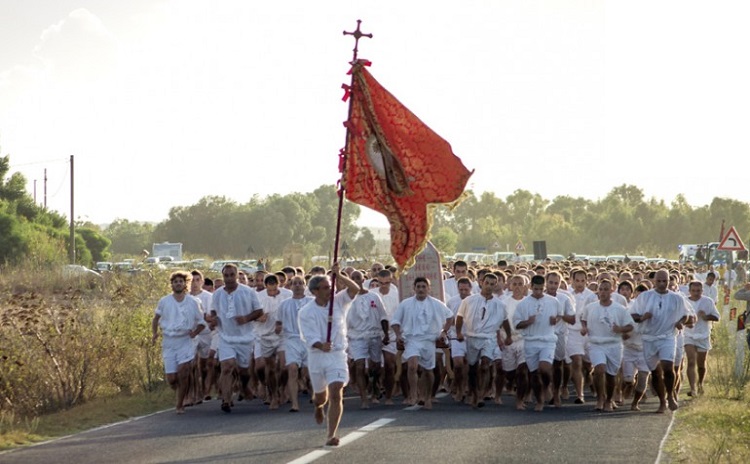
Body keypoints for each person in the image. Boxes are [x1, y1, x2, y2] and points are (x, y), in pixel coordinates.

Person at [298, 263, 359, 447]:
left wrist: (339, 275)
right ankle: (317, 407)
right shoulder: (306, 312)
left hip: (337, 355)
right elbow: (308, 336)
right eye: (325, 288)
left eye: (330, 287)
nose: (330, 291)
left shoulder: (339, 301)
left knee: (336, 393)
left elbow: (355, 289)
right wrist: (319, 345)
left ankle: (331, 434)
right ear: (315, 291)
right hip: (317, 357)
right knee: (321, 398)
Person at [630, 269, 692, 413]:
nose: (662, 284)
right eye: (659, 281)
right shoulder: (645, 297)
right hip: (649, 338)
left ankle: (670, 396)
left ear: (669, 280)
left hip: (668, 337)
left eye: (665, 281)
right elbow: (633, 315)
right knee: (656, 373)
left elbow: (686, 315)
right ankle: (662, 401)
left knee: (668, 368)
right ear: (654, 281)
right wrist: (642, 318)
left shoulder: (676, 298)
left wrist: (681, 322)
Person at [208, 263, 264, 413]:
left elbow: (259, 311)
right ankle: (226, 400)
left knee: (244, 372)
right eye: (226, 275)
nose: (229, 278)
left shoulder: (248, 292)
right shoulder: (218, 293)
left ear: (237, 275)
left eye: (232, 275)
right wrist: (213, 321)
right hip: (225, 336)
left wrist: (246, 318)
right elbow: (213, 312)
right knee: (226, 366)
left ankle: (244, 386)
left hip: (245, 338)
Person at [391, 277, 453, 409]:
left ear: (428, 288)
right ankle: (413, 394)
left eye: (423, 287)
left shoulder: (436, 303)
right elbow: (395, 321)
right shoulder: (405, 304)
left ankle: (428, 396)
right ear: (414, 288)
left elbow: (450, 317)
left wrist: (444, 332)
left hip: (429, 340)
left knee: (428, 370)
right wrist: (398, 335)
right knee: (412, 366)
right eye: (418, 286)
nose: (421, 289)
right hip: (411, 339)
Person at [151, 271, 206, 414]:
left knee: (183, 372)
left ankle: (180, 403)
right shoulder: (164, 301)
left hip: (185, 340)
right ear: (171, 284)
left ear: (185, 283)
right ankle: (181, 391)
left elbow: (202, 323)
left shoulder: (193, 302)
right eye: (175, 281)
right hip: (169, 341)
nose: (178, 284)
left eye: (181, 281)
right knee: (172, 379)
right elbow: (156, 318)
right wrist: (154, 333)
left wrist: (195, 332)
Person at [455, 273, 512, 408]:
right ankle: (473, 393)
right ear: (481, 283)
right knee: (472, 368)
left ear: (496, 285)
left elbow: (505, 321)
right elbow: (459, 317)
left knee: (485, 365)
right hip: (472, 336)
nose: (489, 286)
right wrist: (458, 332)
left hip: (489, 338)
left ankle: (480, 395)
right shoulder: (469, 300)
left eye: (492, 284)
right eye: (487, 283)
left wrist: (509, 336)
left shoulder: (500, 305)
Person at [580, 279, 634, 412]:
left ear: (611, 291)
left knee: (611, 376)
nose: (603, 292)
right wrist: (584, 328)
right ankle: (600, 398)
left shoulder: (619, 309)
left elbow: (630, 325)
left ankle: (609, 400)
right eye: (601, 289)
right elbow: (583, 319)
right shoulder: (590, 307)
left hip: (614, 344)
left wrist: (620, 329)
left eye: (606, 289)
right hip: (596, 344)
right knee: (599, 369)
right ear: (598, 291)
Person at [513, 274, 564, 412]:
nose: (538, 292)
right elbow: (517, 324)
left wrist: (555, 320)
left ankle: (549, 388)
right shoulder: (523, 304)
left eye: (541, 289)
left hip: (547, 340)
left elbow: (559, 315)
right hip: (530, 341)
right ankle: (540, 400)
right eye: (536, 289)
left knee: (545, 368)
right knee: (534, 374)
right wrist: (527, 322)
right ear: (531, 287)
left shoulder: (553, 301)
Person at [346, 270, 389, 409]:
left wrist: (386, 334)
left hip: (374, 335)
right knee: (359, 366)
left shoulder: (374, 296)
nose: (356, 280)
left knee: (375, 367)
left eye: (358, 278)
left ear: (362, 279)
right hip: (356, 337)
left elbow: (383, 316)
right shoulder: (346, 299)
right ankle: (364, 397)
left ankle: (375, 389)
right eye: (353, 278)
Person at [275, 275, 313, 412]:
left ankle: (312, 390)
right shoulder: (284, 304)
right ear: (290, 286)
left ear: (305, 286)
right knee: (292, 369)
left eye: (300, 283)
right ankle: (295, 404)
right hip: (291, 340)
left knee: (308, 372)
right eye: (294, 283)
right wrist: (278, 328)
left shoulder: (312, 302)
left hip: (309, 340)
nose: (297, 286)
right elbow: (278, 322)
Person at [683, 280, 720, 396]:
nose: (696, 293)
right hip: (688, 334)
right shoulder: (684, 302)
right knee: (691, 361)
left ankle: (700, 384)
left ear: (702, 291)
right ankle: (692, 388)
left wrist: (706, 316)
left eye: (698, 291)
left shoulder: (707, 301)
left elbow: (717, 317)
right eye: (693, 291)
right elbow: (679, 317)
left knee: (701, 364)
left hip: (703, 335)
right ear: (689, 291)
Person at [545, 271, 576, 407]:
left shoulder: (564, 299)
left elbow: (573, 319)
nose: (553, 286)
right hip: (543, 336)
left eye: (556, 283)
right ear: (546, 282)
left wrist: (561, 316)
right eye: (551, 283)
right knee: (544, 365)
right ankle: (546, 389)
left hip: (559, 336)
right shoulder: (538, 296)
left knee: (558, 365)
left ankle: (556, 392)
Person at [445, 277, 473, 402]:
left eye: (466, 289)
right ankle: (458, 386)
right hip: (456, 336)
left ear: (470, 289)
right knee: (458, 363)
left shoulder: (476, 300)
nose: (463, 292)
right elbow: (448, 319)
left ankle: (464, 388)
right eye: (461, 289)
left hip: (471, 336)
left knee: (468, 364)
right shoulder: (452, 301)